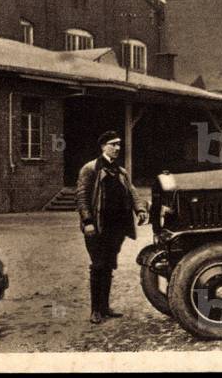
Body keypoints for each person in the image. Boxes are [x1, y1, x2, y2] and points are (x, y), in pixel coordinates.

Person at [75, 131, 148, 324]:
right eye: (113, 144)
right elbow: (81, 197)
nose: (117, 148)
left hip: (116, 229)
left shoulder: (120, 171)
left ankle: (105, 307)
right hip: (97, 226)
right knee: (98, 265)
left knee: (108, 266)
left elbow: (132, 192)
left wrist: (140, 209)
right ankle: (95, 310)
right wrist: (87, 222)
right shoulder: (90, 168)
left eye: (119, 145)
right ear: (103, 146)